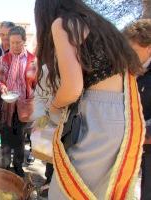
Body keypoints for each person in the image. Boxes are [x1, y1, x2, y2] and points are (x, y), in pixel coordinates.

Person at [34, 0, 144, 199]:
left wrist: (54, 106)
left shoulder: (63, 23)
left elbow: (72, 88)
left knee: (68, 190)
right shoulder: (97, 23)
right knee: (101, 190)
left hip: (97, 115)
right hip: (121, 113)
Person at [0, 26, 36, 177]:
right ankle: (5, 166)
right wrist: (1, 86)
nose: (15, 46)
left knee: (19, 139)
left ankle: (18, 166)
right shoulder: (2, 60)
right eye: (12, 43)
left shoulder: (32, 60)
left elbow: (37, 84)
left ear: (24, 41)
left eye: (18, 42)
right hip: (6, 105)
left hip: (23, 107)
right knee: (5, 137)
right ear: (8, 42)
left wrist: (33, 96)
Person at [123, 19, 151, 200]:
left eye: (133, 50)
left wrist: (140, 133)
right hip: (132, 145)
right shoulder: (132, 70)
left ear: (149, 47)